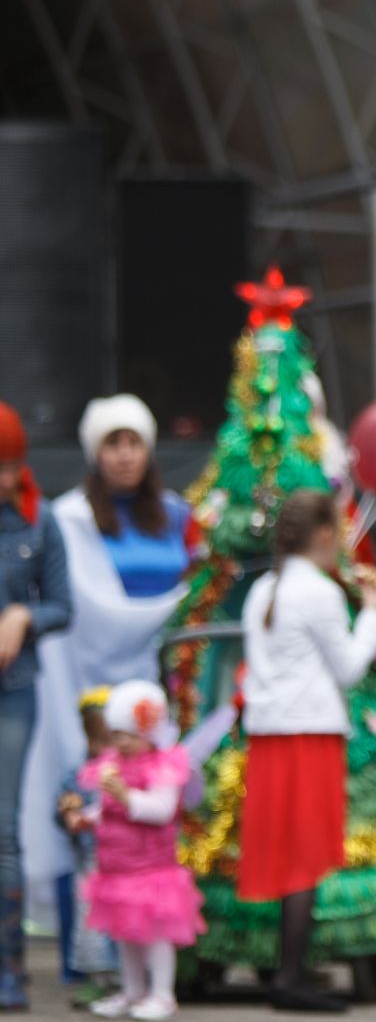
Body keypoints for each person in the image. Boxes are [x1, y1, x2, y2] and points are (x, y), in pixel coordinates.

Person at [21, 395, 191, 947]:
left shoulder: (175, 514)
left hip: (160, 680)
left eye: (133, 442)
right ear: (94, 452)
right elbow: (81, 607)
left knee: (156, 806)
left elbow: (194, 585)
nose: (124, 455)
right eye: (112, 443)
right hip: (86, 685)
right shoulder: (68, 518)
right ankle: (93, 951)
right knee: (93, 803)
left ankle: (160, 943)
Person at [240, 491, 376, 1013]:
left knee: (285, 851)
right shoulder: (319, 592)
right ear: (324, 535)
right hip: (310, 733)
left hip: (270, 734)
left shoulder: (264, 588)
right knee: (304, 854)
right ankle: (290, 977)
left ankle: (290, 970)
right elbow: (349, 667)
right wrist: (372, 610)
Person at [0, 402, 72, 1010]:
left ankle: (10, 971)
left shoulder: (38, 521)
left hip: (13, 692)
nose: (4, 478)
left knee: (3, 832)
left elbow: (63, 604)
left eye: (11, 465)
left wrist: (25, 615)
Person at [79, 680, 205, 1022]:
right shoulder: (114, 764)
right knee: (126, 934)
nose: (118, 742)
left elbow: (162, 810)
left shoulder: (163, 766)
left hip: (151, 870)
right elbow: (107, 809)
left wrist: (124, 796)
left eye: (126, 735)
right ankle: (133, 990)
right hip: (117, 867)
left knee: (156, 935)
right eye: (115, 734)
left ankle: (163, 993)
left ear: (148, 732)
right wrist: (87, 818)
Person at [56, 688, 118, 1007]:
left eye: (109, 741)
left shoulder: (128, 769)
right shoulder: (78, 773)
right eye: (97, 742)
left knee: (125, 922)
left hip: (124, 862)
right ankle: (98, 979)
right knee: (92, 924)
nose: (102, 750)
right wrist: (70, 813)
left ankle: (127, 979)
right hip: (91, 864)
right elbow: (66, 804)